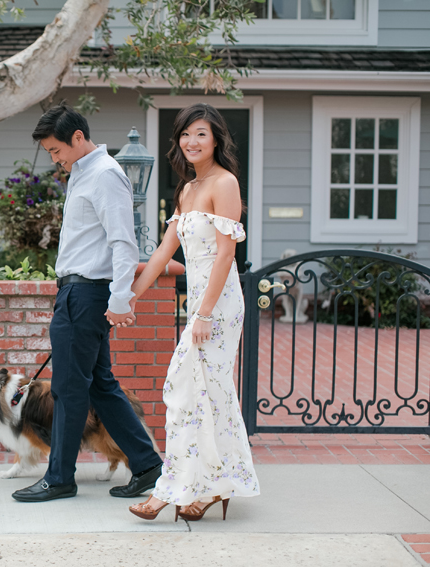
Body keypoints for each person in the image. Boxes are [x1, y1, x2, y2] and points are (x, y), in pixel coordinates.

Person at [12, 104, 164, 503]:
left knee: (67, 387)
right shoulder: (82, 174)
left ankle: (60, 476)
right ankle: (148, 465)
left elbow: (123, 242)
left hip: (86, 294)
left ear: (77, 138)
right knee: (99, 385)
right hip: (76, 292)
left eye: (55, 150)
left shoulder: (105, 175)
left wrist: (119, 299)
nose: (54, 159)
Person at [122, 103, 260, 521]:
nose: (191, 141)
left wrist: (201, 314)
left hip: (218, 307)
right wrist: (131, 297)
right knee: (206, 396)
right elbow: (164, 250)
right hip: (202, 304)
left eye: (200, 133)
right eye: (185, 134)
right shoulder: (185, 189)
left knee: (190, 391)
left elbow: (224, 257)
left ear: (216, 138)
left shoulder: (226, 183)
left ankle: (173, 489)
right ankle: (212, 485)